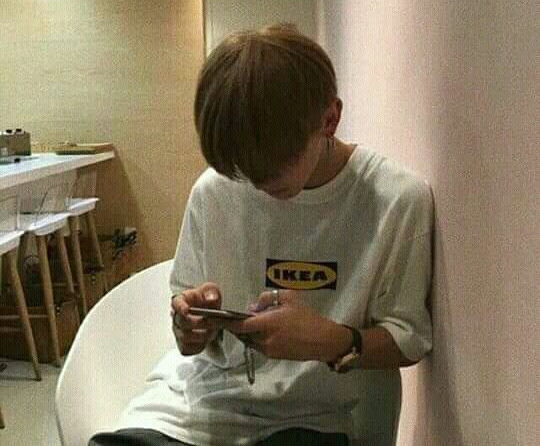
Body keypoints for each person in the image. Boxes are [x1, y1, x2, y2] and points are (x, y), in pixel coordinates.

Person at [89, 24, 433, 446]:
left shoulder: (396, 201)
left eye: (274, 165)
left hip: (313, 418)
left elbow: (409, 339)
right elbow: (187, 333)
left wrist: (329, 341)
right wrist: (190, 327)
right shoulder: (215, 189)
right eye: (240, 169)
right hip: (195, 408)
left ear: (329, 119)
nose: (256, 182)